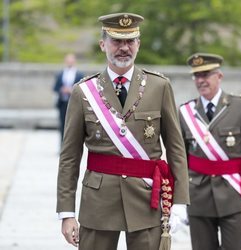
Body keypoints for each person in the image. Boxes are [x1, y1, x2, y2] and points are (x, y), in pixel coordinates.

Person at [56, 12, 189, 250]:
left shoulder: (159, 86)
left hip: (147, 199)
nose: (123, 48)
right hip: (98, 201)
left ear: (138, 44)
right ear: (102, 44)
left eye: (130, 41)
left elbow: (176, 148)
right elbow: (69, 157)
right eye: (117, 41)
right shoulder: (83, 92)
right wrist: (66, 212)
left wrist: (179, 203)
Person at [179, 52, 241, 250]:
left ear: (219, 76)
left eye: (206, 74)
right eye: (197, 76)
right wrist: (179, 200)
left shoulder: (240, 107)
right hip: (198, 196)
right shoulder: (185, 112)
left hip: (232, 195)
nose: (201, 80)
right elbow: (181, 158)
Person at [53, 53, 84, 143]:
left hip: (74, 104)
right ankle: (62, 145)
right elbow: (55, 87)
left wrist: (72, 91)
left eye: (71, 60)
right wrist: (62, 90)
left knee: (74, 126)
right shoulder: (60, 74)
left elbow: (82, 88)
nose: (70, 62)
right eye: (68, 60)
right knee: (62, 125)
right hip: (63, 102)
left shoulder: (79, 74)